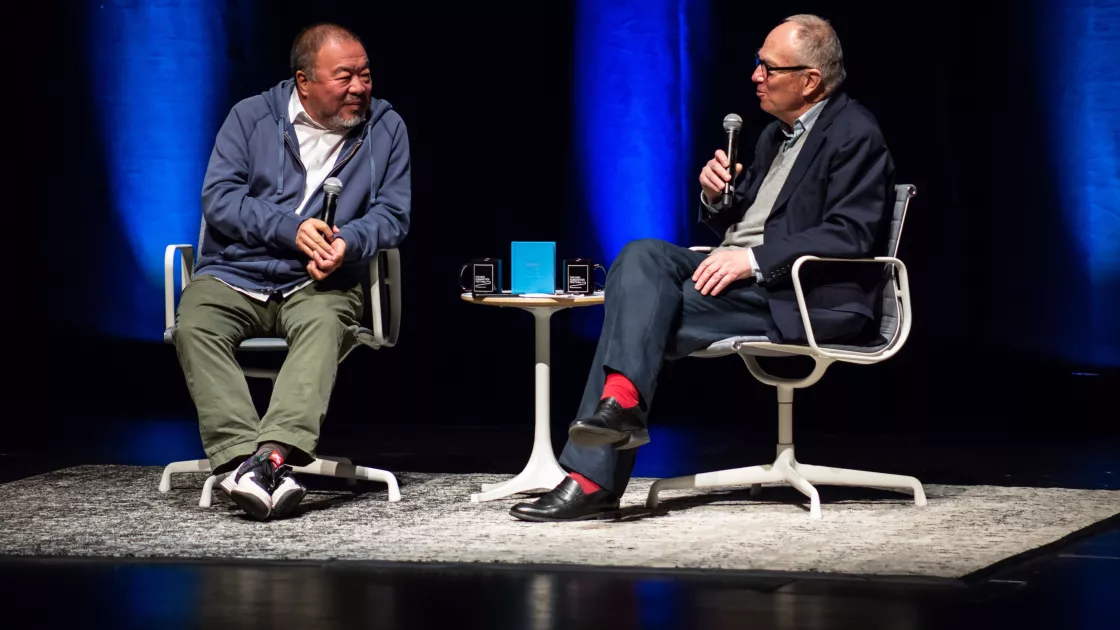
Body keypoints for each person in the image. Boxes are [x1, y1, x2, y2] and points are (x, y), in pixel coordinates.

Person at [510, 14, 895, 522]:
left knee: (639, 318)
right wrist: (717, 197)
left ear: (810, 81)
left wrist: (751, 260)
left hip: (801, 295)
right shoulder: (775, 137)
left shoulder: (854, 132)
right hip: (743, 279)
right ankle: (619, 408)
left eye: (769, 67)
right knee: (641, 253)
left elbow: (851, 232)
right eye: (757, 63)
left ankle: (593, 475)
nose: (755, 75)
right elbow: (747, 222)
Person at [173, 23, 411, 520]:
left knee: (324, 323)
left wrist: (348, 242)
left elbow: (393, 214)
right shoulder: (250, 117)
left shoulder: (386, 127)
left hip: (319, 282)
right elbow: (220, 199)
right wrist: (290, 228)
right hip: (234, 273)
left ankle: (270, 457)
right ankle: (244, 461)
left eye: (365, 75)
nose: (359, 87)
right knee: (196, 323)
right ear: (304, 81)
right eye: (344, 76)